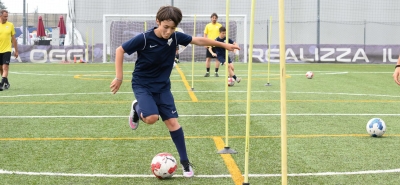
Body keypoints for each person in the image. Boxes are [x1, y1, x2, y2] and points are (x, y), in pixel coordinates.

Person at [109, 6, 240, 178]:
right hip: (143, 85)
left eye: (172, 28)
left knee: (172, 123)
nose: (169, 31)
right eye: (165, 27)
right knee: (151, 118)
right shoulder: (144, 38)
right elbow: (120, 50)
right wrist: (119, 78)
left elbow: (199, 41)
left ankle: (185, 163)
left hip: (163, 87)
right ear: (158, 22)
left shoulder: (176, 37)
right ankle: (137, 108)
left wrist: (224, 45)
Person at [0, 10, 18, 91]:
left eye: (7, 16)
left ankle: (1, 84)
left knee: (5, 67)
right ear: (0, 16)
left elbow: (14, 39)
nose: (6, 18)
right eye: (4, 16)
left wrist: (16, 51)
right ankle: (6, 82)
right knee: (1, 68)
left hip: (7, 50)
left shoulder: (10, 25)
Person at [203, 13, 222, 77]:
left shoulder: (220, 26)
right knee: (208, 59)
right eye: (213, 17)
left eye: (215, 18)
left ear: (217, 18)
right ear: (211, 18)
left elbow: (222, 34)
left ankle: (216, 72)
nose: (214, 19)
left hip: (217, 44)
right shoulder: (208, 25)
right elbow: (205, 34)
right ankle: (207, 72)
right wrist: (205, 43)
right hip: (209, 44)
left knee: (217, 59)